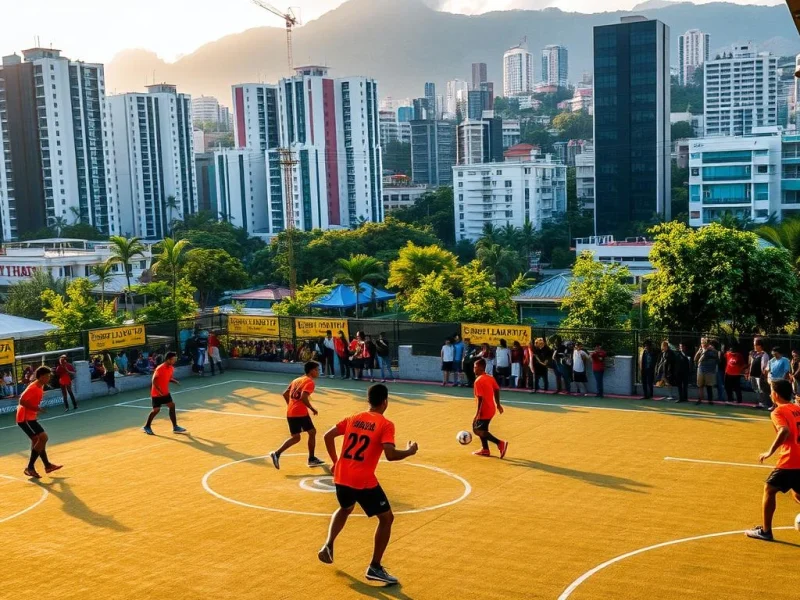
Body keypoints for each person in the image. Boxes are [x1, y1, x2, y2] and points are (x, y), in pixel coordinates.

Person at [318, 384, 418, 585]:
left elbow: (327, 436)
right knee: (386, 519)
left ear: (369, 400)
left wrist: (336, 461)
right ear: (385, 402)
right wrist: (409, 451)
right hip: (362, 480)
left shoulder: (354, 417)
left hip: (341, 476)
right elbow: (390, 455)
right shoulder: (385, 424)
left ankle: (328, 545)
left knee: (345, 508)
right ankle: (375, 566)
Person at [744, 380, 800, 542]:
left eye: (770, 391)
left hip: (790, 459)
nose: (770, 394)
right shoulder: (797, 408)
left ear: (775, 394)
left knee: (769, 489)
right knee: (797, 493)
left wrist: (769, 452)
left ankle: (766, 531)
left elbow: (784, 430)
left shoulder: (778, 412)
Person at [268, 361, 325, 469]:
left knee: (296, 437)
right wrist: (312, 408)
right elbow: (303, 397)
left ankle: (277, 453)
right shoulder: (309, 382)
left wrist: (291, 405)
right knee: (312, 432)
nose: (318, 372)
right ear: (312, 371)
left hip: (291, 412)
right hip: (300, 413)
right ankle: (311, 459)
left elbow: (285, 394)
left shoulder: (297, 380)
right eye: (317, 370)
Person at [17, 366, 62, 479]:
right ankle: (30, 468)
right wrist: (36, 408)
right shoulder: (33, 387)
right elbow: (21, 401)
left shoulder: (40, 386)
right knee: (43, 438)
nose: (48, 378)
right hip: (24, 418)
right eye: (47, 376)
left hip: (30, 417)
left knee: (38, 440)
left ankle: (47, 466)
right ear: (41, 377)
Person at [471, 358, 509, 458]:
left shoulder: (478, 381)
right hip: (491, 408)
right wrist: (498, 404)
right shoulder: (490, 378)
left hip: (484, 410)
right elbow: (496, 389)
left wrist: (477, 414)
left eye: (475, 367)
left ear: (480, 368)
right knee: (482, 429)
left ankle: (500, 443)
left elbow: (480, 399)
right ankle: (485, 449)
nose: (473, 369)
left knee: (476, 430)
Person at [142, 352, 186, 435]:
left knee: (172, 405)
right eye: (174, 359)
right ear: (168, 360)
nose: (175, 361)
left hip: (165, 392)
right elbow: (154, 380)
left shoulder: (171, 368)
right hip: (156, 393)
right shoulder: (159, 368)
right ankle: (147, 426)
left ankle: (175, 427)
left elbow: (168, 378)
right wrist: (158, 391)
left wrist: (174, 381)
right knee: (156, 410)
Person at [748, 338, 771, 410]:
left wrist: (764, 375)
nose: (754, 346)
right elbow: (751, 364)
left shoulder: (764, 354)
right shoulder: (754, 354)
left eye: (755, 345)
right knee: (756, 389)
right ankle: (760, 402)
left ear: (760, 346)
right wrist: (749, 373)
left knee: (761, 389)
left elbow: (765, 366)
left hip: (759, 375)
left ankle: (762, 403)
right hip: (753, 375)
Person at [694, 338, 718, 405]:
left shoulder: (713, 351)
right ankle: (700, 399)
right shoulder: (701, 350)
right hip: (701, 370)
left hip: (710, 371)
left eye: (704, 343)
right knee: (700, 385)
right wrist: (699, 351)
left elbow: (717, 358)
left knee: (709, 386)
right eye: (702, 343)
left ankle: (710, 400)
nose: (703, 344)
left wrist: (709, 350)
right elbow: (695, 359)